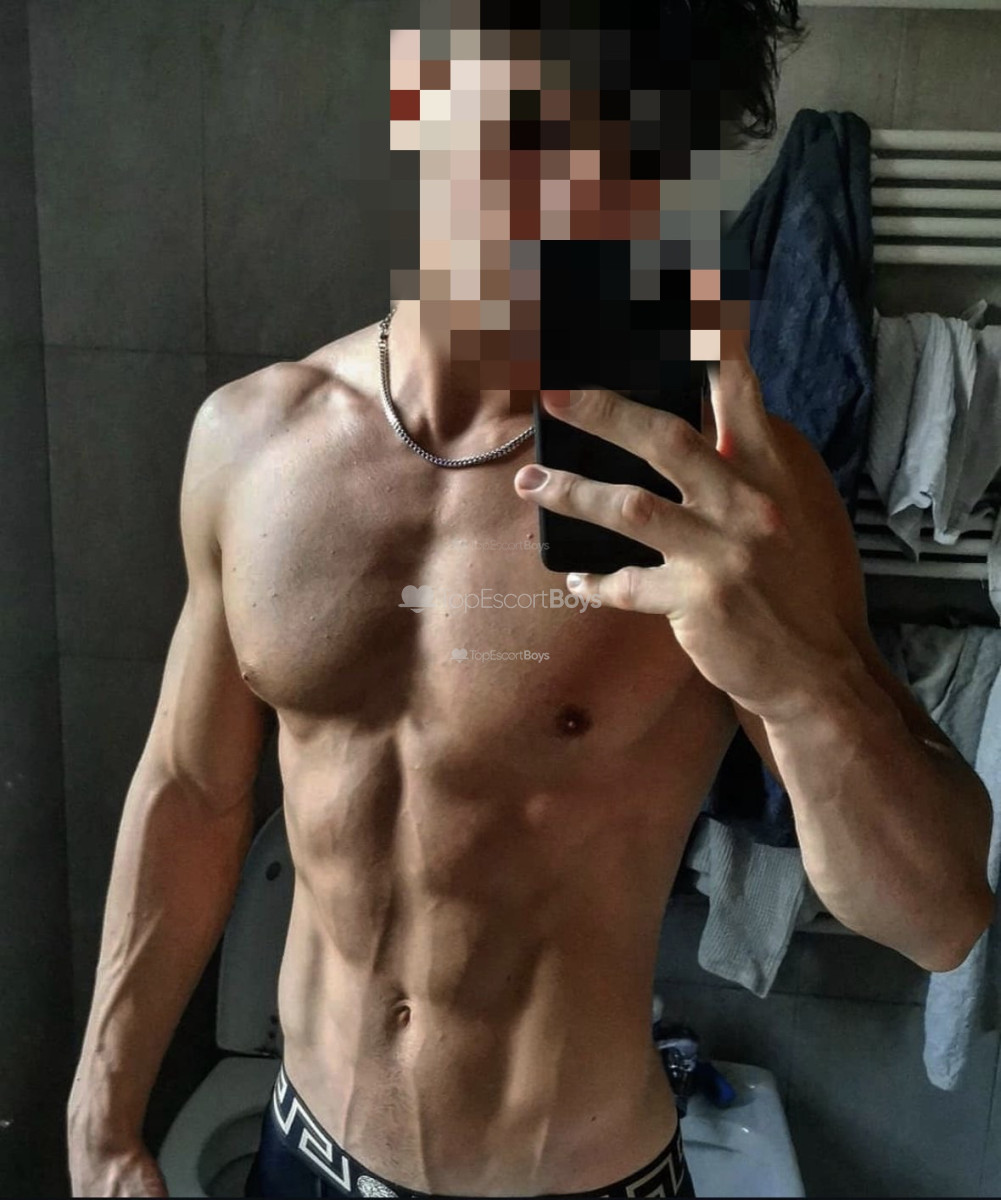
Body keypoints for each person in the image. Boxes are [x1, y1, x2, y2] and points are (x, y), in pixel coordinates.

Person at [67, 1, 995, 1197]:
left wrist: (800, 682)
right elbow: (191, 791)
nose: (549, 186)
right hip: (298, 1157)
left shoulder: (721, 488)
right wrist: (102, 1112)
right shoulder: (250, 443)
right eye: (516, 117)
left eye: (611, 142)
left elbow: (935, 917)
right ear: (419, 96)